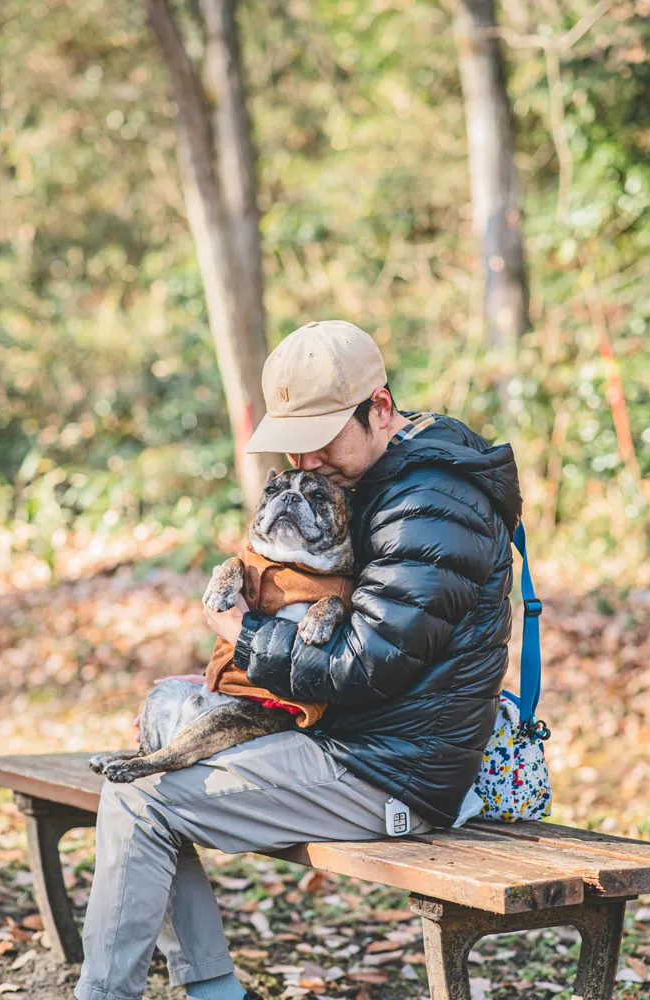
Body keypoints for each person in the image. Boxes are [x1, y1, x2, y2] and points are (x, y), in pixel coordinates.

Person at [74, 319, 522, 1000]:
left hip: (389, 770)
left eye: (318, 440)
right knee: (163, 724)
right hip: (343, 736)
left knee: (139, 803)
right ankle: (214, 988)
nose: (306, 461)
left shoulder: (432, 503)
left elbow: (363, 665)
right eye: (294, 445)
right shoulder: (380, 474)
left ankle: (130, 993)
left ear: (378, 407)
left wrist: (245, 635)